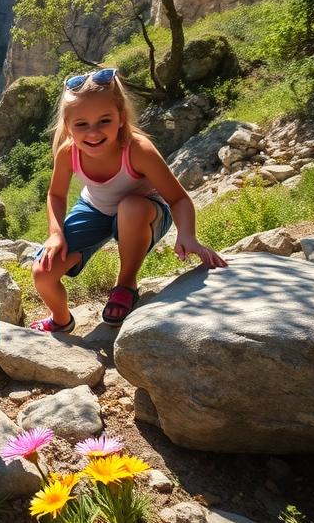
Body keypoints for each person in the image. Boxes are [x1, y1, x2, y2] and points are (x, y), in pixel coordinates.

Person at [30, 68, 226, 333]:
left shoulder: (138, 150)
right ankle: (61, 319)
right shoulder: (68, 153)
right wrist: (55, 234)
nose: (93, 133)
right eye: (81, 124)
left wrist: (188, 235)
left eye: (104, 121)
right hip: (94, 208)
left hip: (144, 209)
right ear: (68, 127)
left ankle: (125, 285)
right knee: (43, 273)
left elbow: (178, 198)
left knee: (130, 206)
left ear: (121, 118)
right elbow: (56, 195)